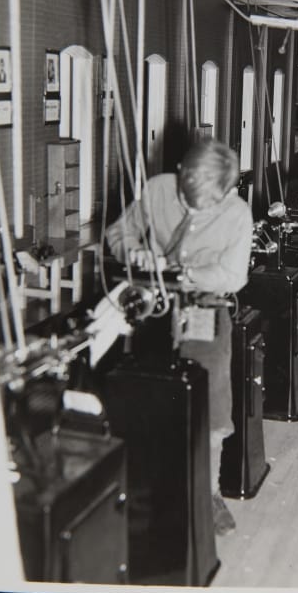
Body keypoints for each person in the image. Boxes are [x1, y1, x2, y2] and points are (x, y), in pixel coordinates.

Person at [106, 138, 253, 536]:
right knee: (136, 393)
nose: (193, 212)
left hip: (204, 306)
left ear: (226, 192)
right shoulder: (157, 189)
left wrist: (185, 275)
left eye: (204, 208)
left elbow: (232, 276)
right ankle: (138, 489)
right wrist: (134, 253)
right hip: (151, 306)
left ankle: (209, 493)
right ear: (180, 174)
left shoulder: (238, 214)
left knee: (212, 403)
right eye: (187, 203)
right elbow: (118, 233)